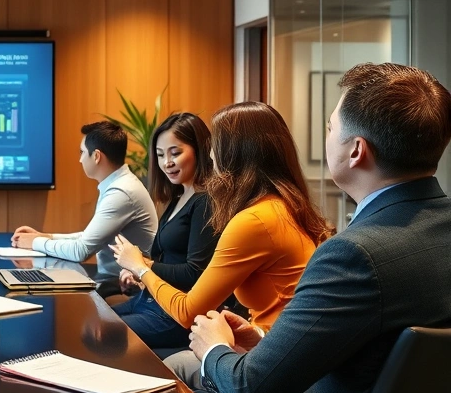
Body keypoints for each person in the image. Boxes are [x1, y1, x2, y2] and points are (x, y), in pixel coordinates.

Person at [189, 63, 451, 393]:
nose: (327, 136)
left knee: (181, 392)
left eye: (331, 127)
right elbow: (373, 347)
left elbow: (249, 390)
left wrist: (212, 345)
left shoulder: (353, 255)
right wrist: (267, 339)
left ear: (357, 150)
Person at [113, 102, 332, 372]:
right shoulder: (286, 205)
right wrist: (256, 332)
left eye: (215, 146)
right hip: (274, 341)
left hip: (279, 360)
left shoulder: (253, 220)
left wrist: (139, 266)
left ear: (233, 154)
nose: (212, 156)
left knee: (170, 364)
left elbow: (186, 311)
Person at [110, 113, 220, 350]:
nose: (166, 162)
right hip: (150, 300)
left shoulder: (205, 201)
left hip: (172, 315)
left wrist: (142, 266)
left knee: (104, 332)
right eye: (160, 155)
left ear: (200, 150)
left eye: (175, 153)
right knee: (92, 317)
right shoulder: (179, 196)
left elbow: (194, 273)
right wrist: (138, 272)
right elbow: (167, 260)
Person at [11, 120, 158, 297]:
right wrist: (45, 236)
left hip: (123, 284)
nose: (80, 159)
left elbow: (80, 251)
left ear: (96, 156)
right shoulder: (120, 184)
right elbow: (91, 236)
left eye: (82, 153)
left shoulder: (122, 192)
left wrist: (33, 243)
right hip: (112, 279)